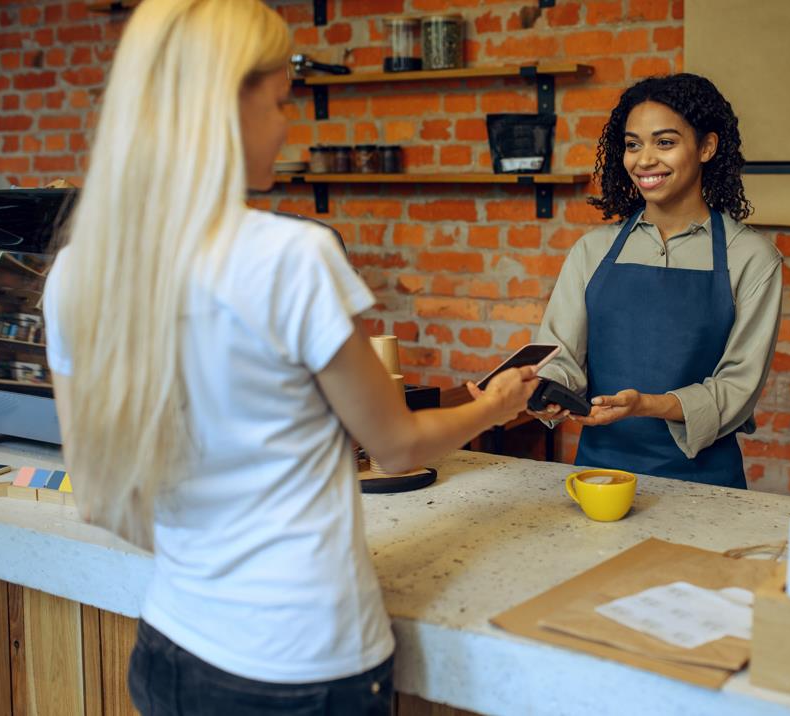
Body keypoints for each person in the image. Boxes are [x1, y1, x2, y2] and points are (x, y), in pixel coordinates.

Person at [42, 1, 537, 714]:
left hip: (172, 648)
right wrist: (495, 405)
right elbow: (395, 446)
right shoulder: (289, 256)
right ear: (222, 104)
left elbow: (97, 496)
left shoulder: (81, 271)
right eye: (278, 101)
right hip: (302, 664)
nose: (285, 125)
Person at [533, 73, 783, 489]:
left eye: (664, 143)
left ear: (706, 147)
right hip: (598, 478)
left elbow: (739, 387)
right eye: (633, 145)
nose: (644, 160)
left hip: (704, 485)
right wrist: (541, 392)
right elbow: (560, 358)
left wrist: (647, 405)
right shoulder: (592, 251)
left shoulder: (751, 258)